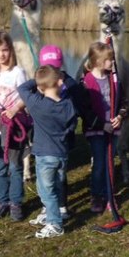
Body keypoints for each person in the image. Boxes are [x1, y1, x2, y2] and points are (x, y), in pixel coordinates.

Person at [28, 45, 96, 225]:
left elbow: (82, 107)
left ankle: (62, 207)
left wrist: (94, 123)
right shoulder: (39, 84)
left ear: (61, 67)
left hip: (62, 139)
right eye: (48, 67)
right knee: (48, 178)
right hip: (43, 137)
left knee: (59, 175)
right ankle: (48, 208)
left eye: (55, 68)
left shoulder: (72, 85)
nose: (53, 71)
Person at [17, 65, 78, 238]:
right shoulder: (68, 104)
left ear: (40, 87)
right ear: (60, 82)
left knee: (46, 190)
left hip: (45, 155)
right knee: (57, 185)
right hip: (62, 154)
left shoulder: (37, 104)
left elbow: (22, 88)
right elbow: (72, 125)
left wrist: (37, 80)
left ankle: (55, 224)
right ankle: (53, 214)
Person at [0, 31, 30, 221]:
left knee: (15, 167)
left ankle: (16, 203)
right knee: (0, 168)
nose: (1, 54)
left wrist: (15, 109)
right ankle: (3, 201)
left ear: (11, 51)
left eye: (5, 50)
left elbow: (26, 96)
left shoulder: (18, 73)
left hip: (14, 125)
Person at [81, 41, 129, 214]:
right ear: (99, 61)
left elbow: (124, 102)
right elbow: (85, 111)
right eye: (110, 59)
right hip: (97, 130)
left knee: (110, 162)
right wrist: (103, 124)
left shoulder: (114, 79)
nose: (112, 62)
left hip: (113, 128)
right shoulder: (86, 82)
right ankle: (97, 195)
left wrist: (120, 116)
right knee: (100, 163)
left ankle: (109, 194)